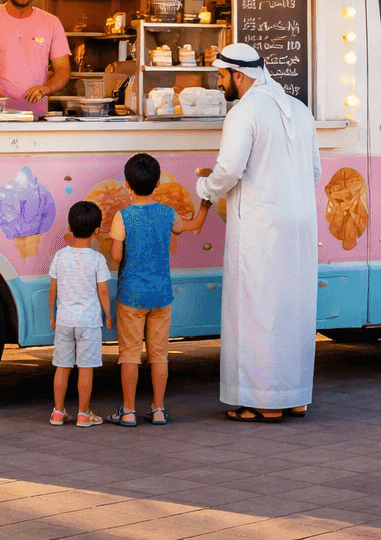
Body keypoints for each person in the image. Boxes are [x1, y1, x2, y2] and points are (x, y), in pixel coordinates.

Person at [196, 43, 322, 422]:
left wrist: (205, 189)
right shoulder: (299, 109)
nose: (219, 83)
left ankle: (263, 403)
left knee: (257, 309)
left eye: (221, 76)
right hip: (301, 223)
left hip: (260, 226)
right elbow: (314, 171)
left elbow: (229, 169)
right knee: (293, 308)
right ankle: (294, 397)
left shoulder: (244, 112)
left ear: (239, 75)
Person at [104, 153, 210, 427]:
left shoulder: (123, 217)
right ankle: (159, 409)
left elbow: (116, 256)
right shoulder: (168, 213)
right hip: (162, 295)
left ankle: (128, 411)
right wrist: (207, 201)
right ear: (157, 184)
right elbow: (195, 224)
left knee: (129, 354)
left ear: (127, 185)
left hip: (131, 296)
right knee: (159, 355)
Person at [47, 200, 113, 427]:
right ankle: (83, 414)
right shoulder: (97, 259)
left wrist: (52, 315)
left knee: (62, 366)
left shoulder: (59, 256)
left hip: (64, 320)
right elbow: (103, 290)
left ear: (69, 227)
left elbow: (53, 289)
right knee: (86, 367)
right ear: (97, 231)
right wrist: (108, 314)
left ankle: (58, 412)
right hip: (89, 322)